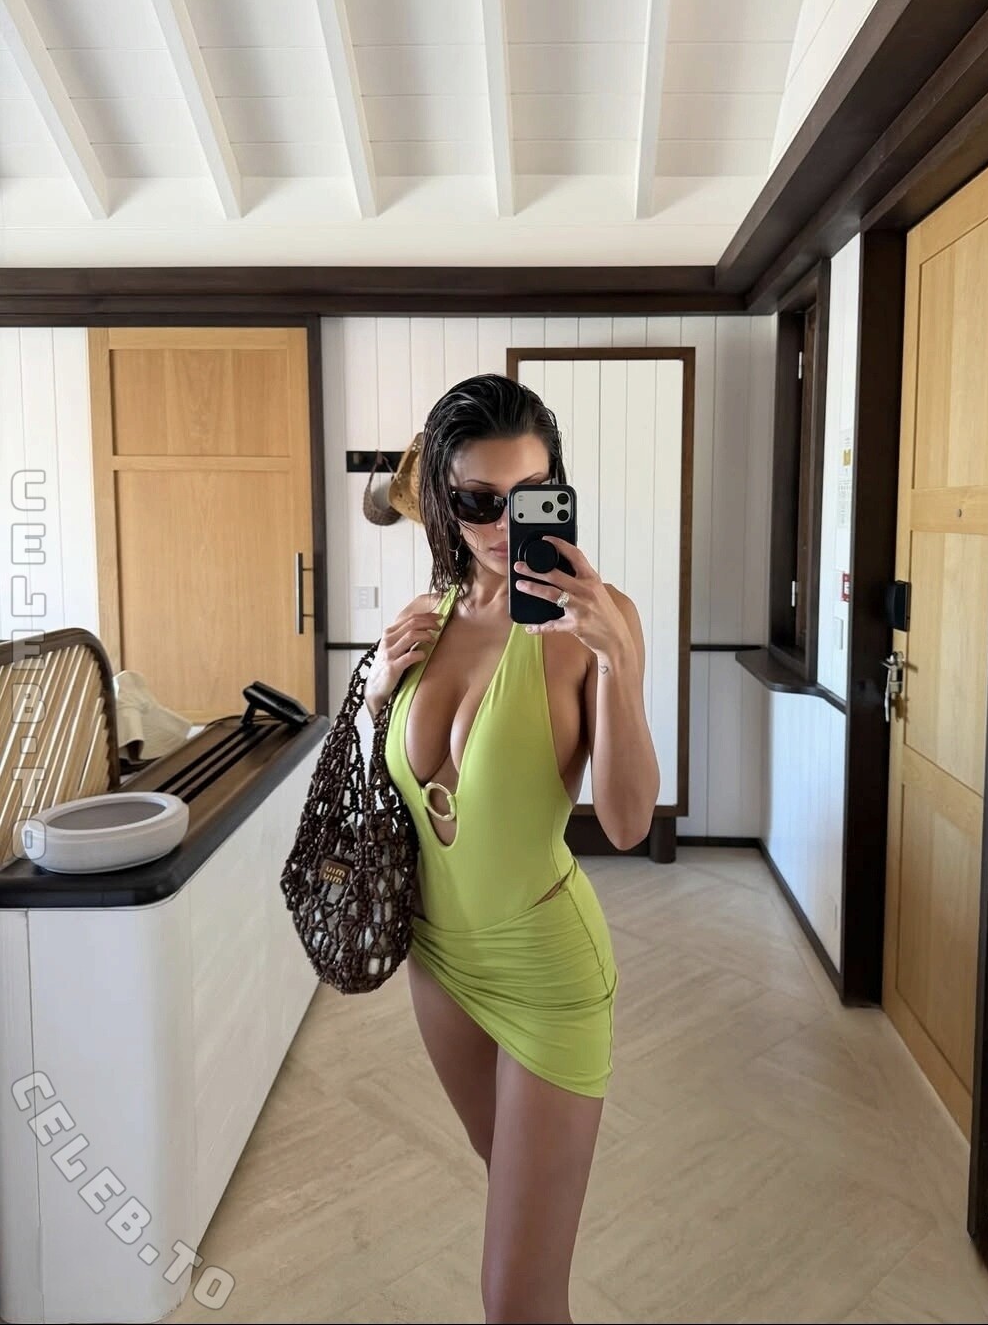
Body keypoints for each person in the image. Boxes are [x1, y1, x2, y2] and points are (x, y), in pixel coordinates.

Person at [365, 374, 660, 1325]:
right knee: (513, 1204)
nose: (500, 525)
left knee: (516, 1298)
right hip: (437, 962)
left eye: (526, 497)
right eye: (477, 501)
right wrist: (378, 696)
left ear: (556, 494)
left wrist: (619, 665)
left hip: (546, 971)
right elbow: (400, 795)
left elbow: (627, 823)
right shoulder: (430, 614)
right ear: (443, 501)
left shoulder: (595, 622)